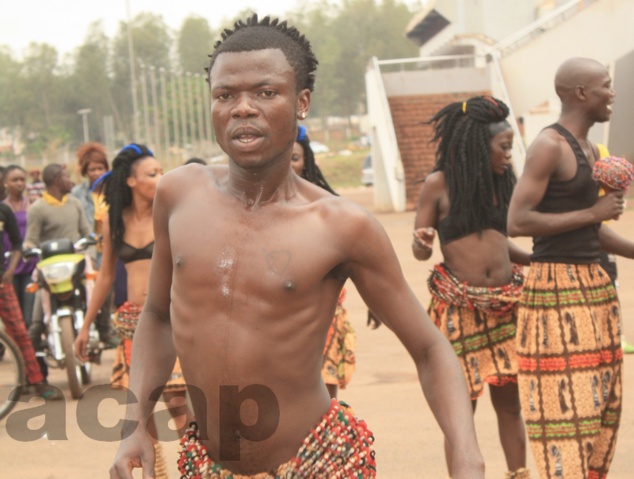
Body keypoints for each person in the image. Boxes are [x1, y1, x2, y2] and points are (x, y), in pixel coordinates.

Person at [110, 15, 484, 479]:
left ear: (302, 101)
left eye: (266, 92)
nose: (242, 108)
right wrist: (135, 426)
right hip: (207, 466)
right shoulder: (177, 194)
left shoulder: (342, 226)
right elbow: (159, 315)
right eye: (225, 94)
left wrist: (466, 452)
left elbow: (430, 349)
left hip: (316, 462)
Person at [507, 57, 633, 479]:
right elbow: (517, 221)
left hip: (593, 286)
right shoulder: (550, 145)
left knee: (601, 407)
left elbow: (590, 230)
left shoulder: (593, 150)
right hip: (555, 290)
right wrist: (593, 211)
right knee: (567, 409)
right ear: (581, 93)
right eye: (605, 85)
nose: (612, 93)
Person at [412, 95, 531, 479]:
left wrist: (532, 259)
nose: (509, 155)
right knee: (463, 413)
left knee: (510, 405)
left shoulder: (499, 183)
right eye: (503, 147)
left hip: (506, 308)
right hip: (460, 311)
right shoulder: (438, 185)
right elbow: (419, 249)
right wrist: (422, 242)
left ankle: (518, 474)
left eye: (511, 147)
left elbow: (498, 241)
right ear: (479, 145)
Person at [75, 143, 192, 479]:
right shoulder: (115, 221)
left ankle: (197, 470)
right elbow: (106, 277)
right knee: (141, 414)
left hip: (168, 321)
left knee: (178, 404)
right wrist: (85, 327)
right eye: (153, 173)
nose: (161, 177)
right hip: (131, 326)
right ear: (130, 180)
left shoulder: (171, 214)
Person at [292, 125, 355, 399]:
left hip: (323, 316)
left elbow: (354, 256)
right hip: (278, 320)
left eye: (294, 158)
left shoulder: (329, 208)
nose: (287, 165)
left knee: (323, 397)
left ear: (307, 162)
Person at [25, 163, 92, 381]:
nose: (70, 181)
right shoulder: (37, 208)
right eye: (66, 176)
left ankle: (103, 331)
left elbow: (86, 232)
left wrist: (90, 241)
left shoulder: (75, 203)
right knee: (35, 322)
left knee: (99, 294)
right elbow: (31, 240)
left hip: (74, 267)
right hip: (50, 272)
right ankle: (33, 374)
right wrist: (28, 249)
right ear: (56, 180)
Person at [0, 196, 62, 399]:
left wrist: (9, 270)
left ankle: (36, 380)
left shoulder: (4, 210)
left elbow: (17, 243)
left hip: (3, 281)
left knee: (20, 332)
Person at [71, 142, 117, 346]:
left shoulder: (115, 190)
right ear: (84, 171)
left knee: (111, 286)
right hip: (89, 246)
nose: (97, 172)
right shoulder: (77, 194)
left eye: (100, 168)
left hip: (111, 244)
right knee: (95, 282)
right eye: (92, 169)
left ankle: (105, 328)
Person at [3, 165, 37, 329]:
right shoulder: (3, 208)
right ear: (5, 183)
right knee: (14, 318)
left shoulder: (33, 204)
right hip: (9, 265)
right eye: (14, 180)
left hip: (31, 263)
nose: (19, 183)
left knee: (29, 313)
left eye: (22, 179)